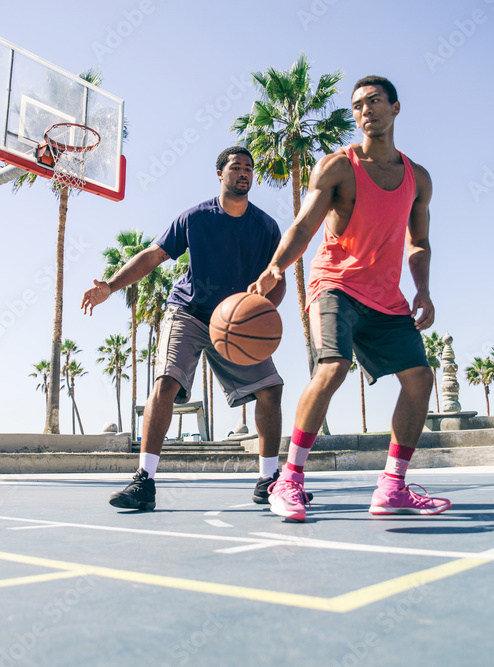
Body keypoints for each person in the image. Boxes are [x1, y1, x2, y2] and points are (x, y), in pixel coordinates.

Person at [251, 75, 451, 522]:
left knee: (419, 379)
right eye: (358, 105)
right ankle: (289, 480)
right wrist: (275, 266)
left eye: (375, 102)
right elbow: (304, 225)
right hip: (335, 284)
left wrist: (423, 289)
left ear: (396, 108)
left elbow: (419, 242)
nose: (366, 111)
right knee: (333, 366)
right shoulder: (338, 167)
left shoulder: (417, 178)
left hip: (385, 295)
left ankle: (393, 487)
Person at [81, 146, 287, 511]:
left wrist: (264, 311)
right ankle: (144, 481)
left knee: (270, 390)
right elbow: (153, 255)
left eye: (249, 168)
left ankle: (268, 480)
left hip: (236, 322)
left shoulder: (266, 227)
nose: (244, 173)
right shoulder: (195, 218)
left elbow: (277, 278)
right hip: (188, 311)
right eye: (236, 167)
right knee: (166, 381)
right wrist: (110, 286)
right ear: (220, 174)